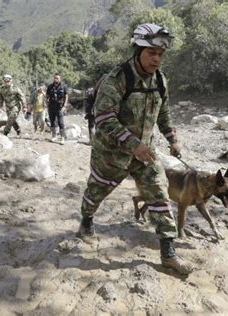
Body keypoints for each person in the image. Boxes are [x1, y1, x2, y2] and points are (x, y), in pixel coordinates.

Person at [77, 23, 194, 275]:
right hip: (111, 154)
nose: (156, 58)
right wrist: (133, 144)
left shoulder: (161, 81)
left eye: (161, 54)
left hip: (145, 153)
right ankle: (86, 221)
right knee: (96, 192)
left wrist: (173, 138)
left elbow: (164, 114)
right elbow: (104, 118)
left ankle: (168, 253)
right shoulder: (117, 79)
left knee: (160, 193)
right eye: (151, 52)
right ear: (137, 50)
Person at [46, 73, 68, 143]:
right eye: (55, 78)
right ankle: (54, 136)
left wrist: (64, 106)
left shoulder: (63, 86)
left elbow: (66, 96)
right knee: (52, 122)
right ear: (53, 78)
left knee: (61, 122)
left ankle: (62, 138)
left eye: (58, 78)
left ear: (60, 79)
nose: (56, 79)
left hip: (60, 107)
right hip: (51, 107)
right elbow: (47, 96)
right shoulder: (50, 87)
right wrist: (47, 102)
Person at [85, 74, 106, 144]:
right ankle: (93, 141)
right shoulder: (96, 91)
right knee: (94, 125)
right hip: (95, 110)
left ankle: (93, 141)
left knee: (94, 125)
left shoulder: (98, 91)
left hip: (98, 111)